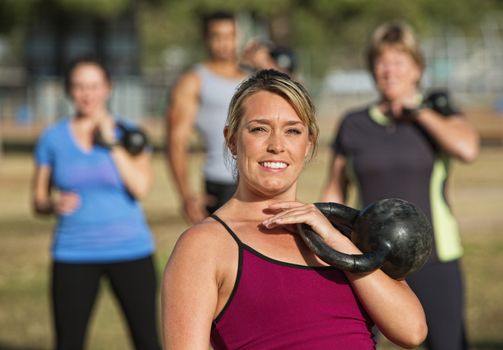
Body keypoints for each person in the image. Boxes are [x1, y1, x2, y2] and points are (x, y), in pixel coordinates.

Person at [161, 69, 427, 349]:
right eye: (259, 129)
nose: (276, 145)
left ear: (308, 143)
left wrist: (337, 241)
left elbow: (412, 331)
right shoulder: (203, 246)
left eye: (292, 131)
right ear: (231, 139)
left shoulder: (342, 232)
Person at [321, 22, 480, 350]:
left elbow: (468, 148)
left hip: (435, 256)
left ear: (417, 68)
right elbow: (334, 189)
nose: (389, 70)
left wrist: (419, 112)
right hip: (369, 259)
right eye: (382, 61)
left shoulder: (436, 114)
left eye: (399, 61)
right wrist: (322, 237)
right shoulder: (354, 123)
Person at [32, 56, 161, 350]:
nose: (86, 94)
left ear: (108, 88)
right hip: (73, 252)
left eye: (93, 86)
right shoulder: (52, 139)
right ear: (68, 90)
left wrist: (111, 143)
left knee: (147, 340)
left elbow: (140, 188)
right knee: (69, 342)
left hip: (131, 250)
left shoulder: (131, 135)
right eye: (78, 87)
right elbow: (38, 200)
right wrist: (52, 204)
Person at [165, 11, 248, 224]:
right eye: (217, 36)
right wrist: (185, 195)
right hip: (220, 183)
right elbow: (177, 140)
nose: (225, 43)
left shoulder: (253, 78)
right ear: (206, 39)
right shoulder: (194, 81)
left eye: (230, 36)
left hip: (255, 178)